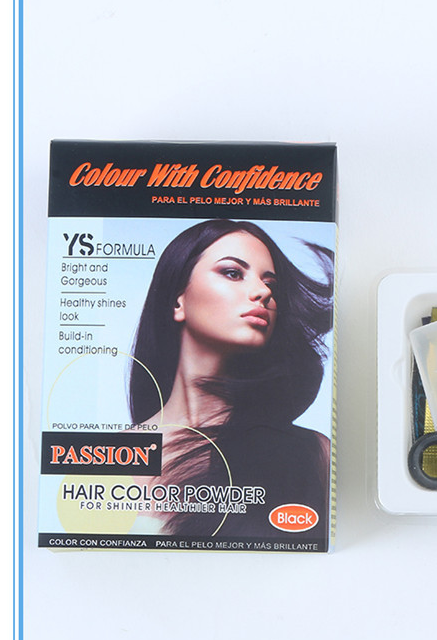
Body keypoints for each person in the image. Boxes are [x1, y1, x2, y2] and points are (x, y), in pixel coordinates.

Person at [129, 219, 334, 537]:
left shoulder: (312, 454)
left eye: (271, 283)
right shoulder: (110, 455)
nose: (263, 292)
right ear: (177, 300)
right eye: (233, 273)